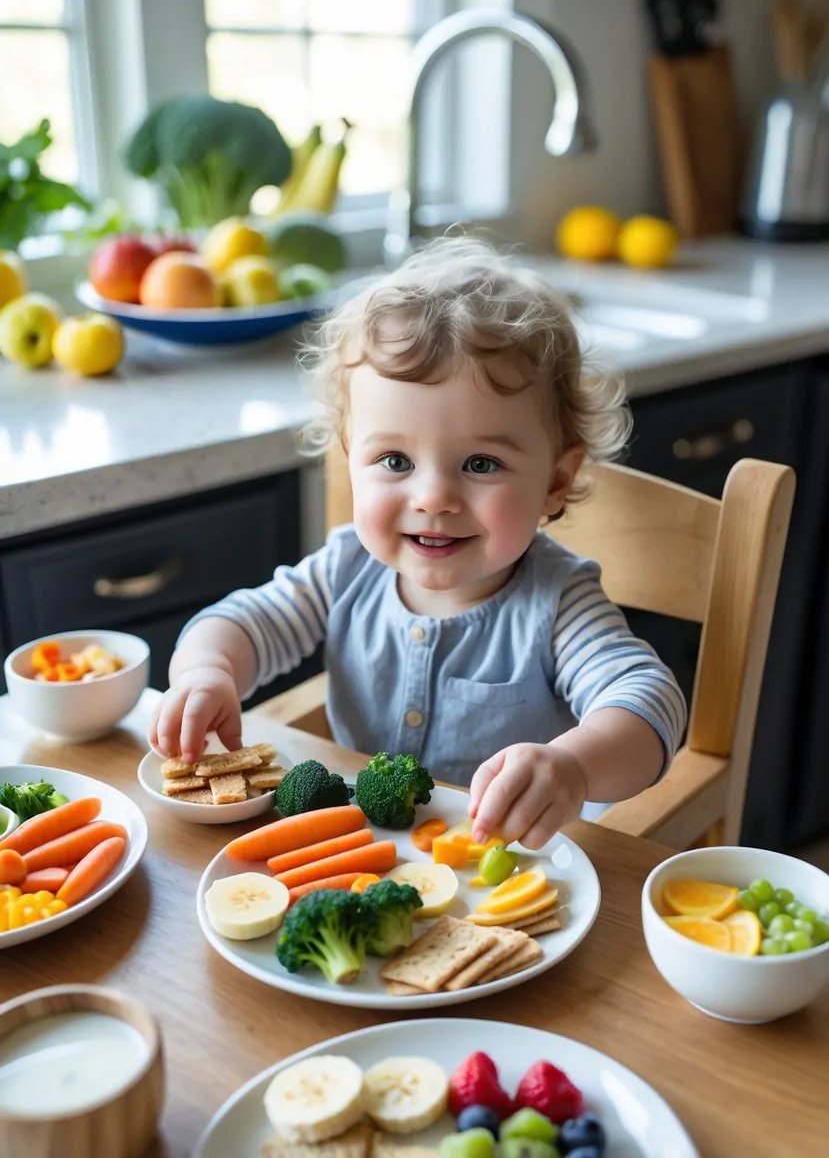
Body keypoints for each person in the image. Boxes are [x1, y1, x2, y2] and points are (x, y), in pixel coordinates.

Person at [149, 237, 686, 849]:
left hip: (506, 867)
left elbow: (650, 701)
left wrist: (576, 766)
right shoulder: (346, 566)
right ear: (352, 462)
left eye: (481, 464)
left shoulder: (558, 602)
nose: (434, 497)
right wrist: (208, 672)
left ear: (554, 483)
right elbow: (244, 621)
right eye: (395, 459)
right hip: (363, 848)